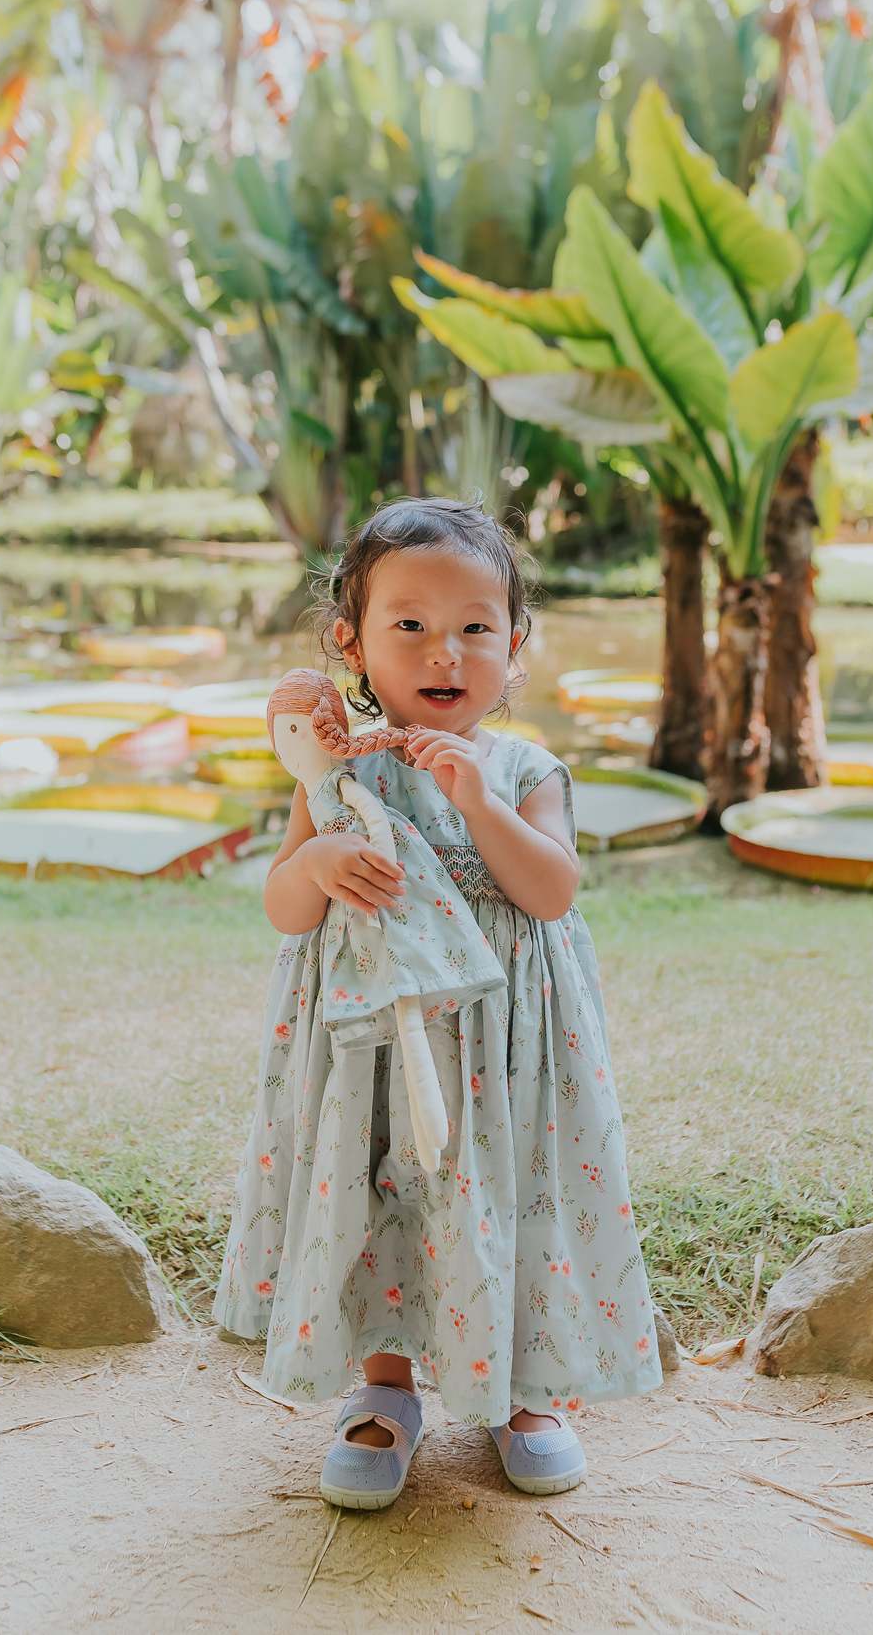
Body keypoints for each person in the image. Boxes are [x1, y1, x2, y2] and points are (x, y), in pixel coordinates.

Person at [214, 497, 663, 1511]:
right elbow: (286, 907)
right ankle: (383, 1391)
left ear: (514, 648)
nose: (443, 652)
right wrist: (321, 858)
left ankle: (529, 1392)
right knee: (384, 1194)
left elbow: (550, 891)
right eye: (408, 625)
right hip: (374, 1050)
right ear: (352, 643)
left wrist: (478, 804)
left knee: (513, 1199)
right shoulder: (331, 771)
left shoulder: (522, 769)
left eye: (475, 627)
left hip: (509, 1055)